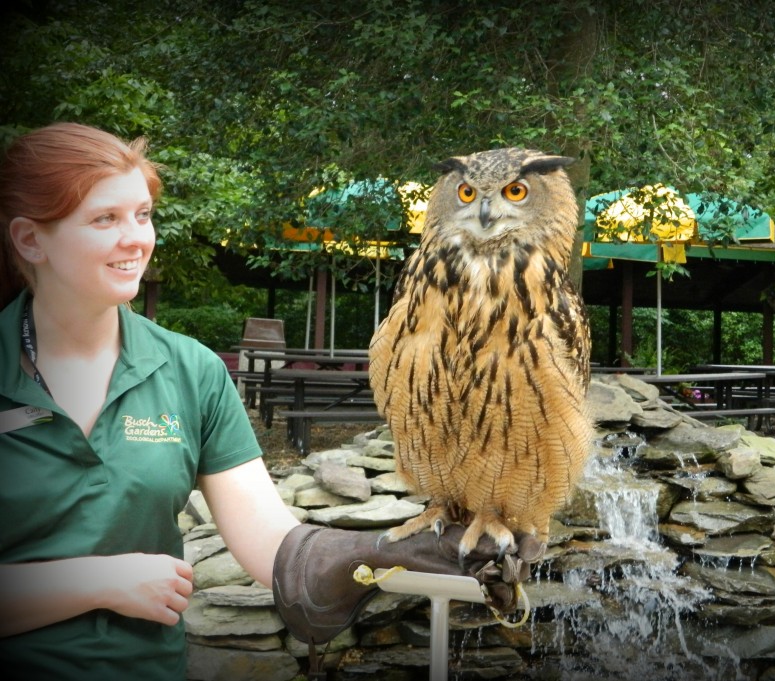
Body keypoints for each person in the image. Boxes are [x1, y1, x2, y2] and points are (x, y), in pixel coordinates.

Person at [0, 122, 538, 680]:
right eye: (104, 219)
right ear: (30, 239)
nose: (136, 238)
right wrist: (97, 584)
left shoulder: (191, 371)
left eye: (142, 214)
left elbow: (269, 542)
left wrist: (376, 554)